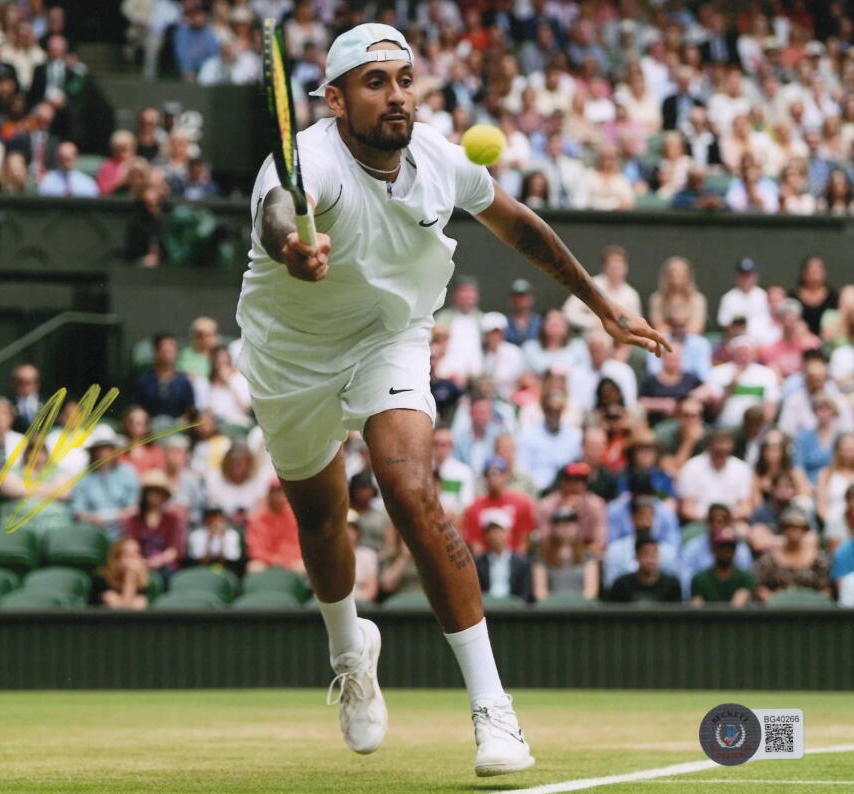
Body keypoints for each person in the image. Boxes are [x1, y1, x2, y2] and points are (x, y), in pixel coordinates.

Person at [235, 22, 669, 776]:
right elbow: (278, 215)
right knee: (320, 516)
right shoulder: (307, 164)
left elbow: (518, 225)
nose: (396, 95)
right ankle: (351, 652)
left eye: (404, 79)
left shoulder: (439, 157)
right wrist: (293, 250)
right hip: (291, 356)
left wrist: (601, 306)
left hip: (391, 338)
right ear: (335, 100)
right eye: (375, 83)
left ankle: (493, 711)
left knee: (411, 492)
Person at [71, 425, 140, 542]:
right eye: (99, 449)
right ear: (93, 452)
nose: (103, 453)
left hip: (124, 531)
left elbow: (135, 507)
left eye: (107, 448)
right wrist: (92, 519)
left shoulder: (128, 472)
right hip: (93, 533)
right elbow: (78, 512)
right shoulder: (83, 477)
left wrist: (121, 515)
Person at [698, 335, 780, 429]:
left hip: (755, 429)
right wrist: (730, 388)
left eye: (746, 352)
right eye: (739, 352)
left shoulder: (766, 374)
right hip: (723, 428)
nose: (743, 356)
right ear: (733, 353)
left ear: (753, 354)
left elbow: (770, 408)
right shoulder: (717, 372)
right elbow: (713, 411)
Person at [753, 508, 832, 603]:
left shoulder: (819, 559)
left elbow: (827, 589)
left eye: (798, 528)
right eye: (789, 527)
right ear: (783, 529)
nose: (793, 531)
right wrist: (774, 601)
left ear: (805, 530)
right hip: (777, 609)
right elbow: (759, 587)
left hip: (811, 609)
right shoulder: (769, 558)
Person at [603, 495, 679, 590]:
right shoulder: (615, 550)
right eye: (642, 516)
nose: (646, 523)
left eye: (650, 516)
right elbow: (610, 587)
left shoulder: (668, 553)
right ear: (633, 518)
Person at [561, 245, 642, 334]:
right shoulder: (591, 286)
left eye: (619, 262)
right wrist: (594, 322)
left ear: (626, 267)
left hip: (619, 341)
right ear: (604, 267)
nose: (615, 266)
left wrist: (618, 327)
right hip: (591, 338)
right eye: (611, 263)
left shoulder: (631, 295)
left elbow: (636, 325)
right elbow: (568, 311)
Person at [677, 430, 753, 523]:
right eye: (719, 444)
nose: (723, 448)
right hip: (700, 522)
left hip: (732, 522)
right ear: (709, 446)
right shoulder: (691, 467)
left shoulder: (741, 468)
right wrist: (713, 521)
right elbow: (687, 509)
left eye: (726, 446)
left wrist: (724, 520)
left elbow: (746, 508)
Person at [123, 469, 185, 583]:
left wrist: (158, 561)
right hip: (138, 564)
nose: (154, 496)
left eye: (158, 492)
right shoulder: (134, 520)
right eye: (151, 492)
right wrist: (142, 562)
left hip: (166, 567)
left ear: (165, 496)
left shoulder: (173, 520)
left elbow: (175, 549)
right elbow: (129, 544)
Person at [531, 507, 599, 602]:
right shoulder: (542, 557)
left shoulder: (588, 556)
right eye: (560, 523)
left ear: (577, 526)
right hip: (551, 611)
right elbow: (540, 593)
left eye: (570, 523)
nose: (565, 527)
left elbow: (591, 592)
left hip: (582, 611)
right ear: (553, 528)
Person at [245, 478, 304, 574]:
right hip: (266, 561)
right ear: (270, 494)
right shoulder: (258, 518)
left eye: (284, 492)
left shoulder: (294, 516)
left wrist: (283, 560)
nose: (282, 496)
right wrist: (272, 559)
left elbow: (296, 545)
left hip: (290, 561)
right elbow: (255, 549)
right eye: (277, 492)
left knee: (302, 566)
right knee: (254, 567)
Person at [689, 523, 755, 607]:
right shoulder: (700, 579)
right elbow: (697, 608)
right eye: (722, 547)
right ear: (714, 549)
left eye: (731, 547)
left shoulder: (745, 577)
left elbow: (738, 605)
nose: (727, 552)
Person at [474, 509, 531, 601]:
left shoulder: (521, 562)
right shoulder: (478, 563)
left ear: (508, 533)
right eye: (489, 531)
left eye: (497, 530)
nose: (494, 535)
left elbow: (525, 592)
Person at [716, 258, 773, 344]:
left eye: (749, 275)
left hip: (763, 342)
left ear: (755, 277)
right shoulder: (729, 297)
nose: (746, 279)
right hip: (737, 341)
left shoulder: (763, 295)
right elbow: (724, 323)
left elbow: (770, 321)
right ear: (737, 277)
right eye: (743, 275)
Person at [607, 537, 682, 603]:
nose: (651, 560)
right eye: (646, 555)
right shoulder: (622, 585)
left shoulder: (672, 584)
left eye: (654, 555)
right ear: (636, 556)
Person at [648, 256, 707, 336]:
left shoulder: (698, 299)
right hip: (665, 338)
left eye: (682, 271)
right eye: (674, 271)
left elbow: (697, 327)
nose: (678, 274)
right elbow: (658, 326)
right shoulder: (657, 299)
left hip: (691, 339)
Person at [96, 537, 150, 610]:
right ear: (117, 559)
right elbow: (122, 611)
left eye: (137, 555)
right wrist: (130, 576)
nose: (134, 560)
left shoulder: (144, 582)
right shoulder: (101, 579)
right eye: (129, 556)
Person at [187, 505, 243, 574]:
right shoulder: (197, 534)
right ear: (206, 520)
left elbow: (232, 557)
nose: (216, 522)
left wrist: (223, 538)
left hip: (227, 567)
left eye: (219, 518)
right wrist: (209, 540)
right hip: (203, 567)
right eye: (213, 519)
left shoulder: (232, 534)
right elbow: (200, 559)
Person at [791, 256, 837, 337]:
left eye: (819, 269)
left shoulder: (834, 297)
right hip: (799, 341)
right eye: (811, 269)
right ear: (803, 272)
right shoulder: (792, 297)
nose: (815, 271)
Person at [118, 405, 166, 475]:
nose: (137, 423)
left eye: (143, 421)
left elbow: (160, 474)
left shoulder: (156, 451)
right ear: (125, 423)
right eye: (132, 420)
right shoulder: (118, 449)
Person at [346, 510, 379, 603]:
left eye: (351, 528)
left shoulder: (368, 554)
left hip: (362, 605)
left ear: (358, 532)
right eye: (343, 528)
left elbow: (372, 591)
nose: (347, 532)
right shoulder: (330, 557)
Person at [503, 279, 542, 346]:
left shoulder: (540, 322)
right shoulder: (505, 323)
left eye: (524, 296)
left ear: (531, 299)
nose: (521, 300)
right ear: (512, 300)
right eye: (518, 296)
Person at [10, 363, 44, 433]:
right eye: (20, 381)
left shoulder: (50, 402)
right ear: (14, 383)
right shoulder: (7, 405)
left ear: (37, 383)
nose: (24, 385)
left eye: (28, 382)